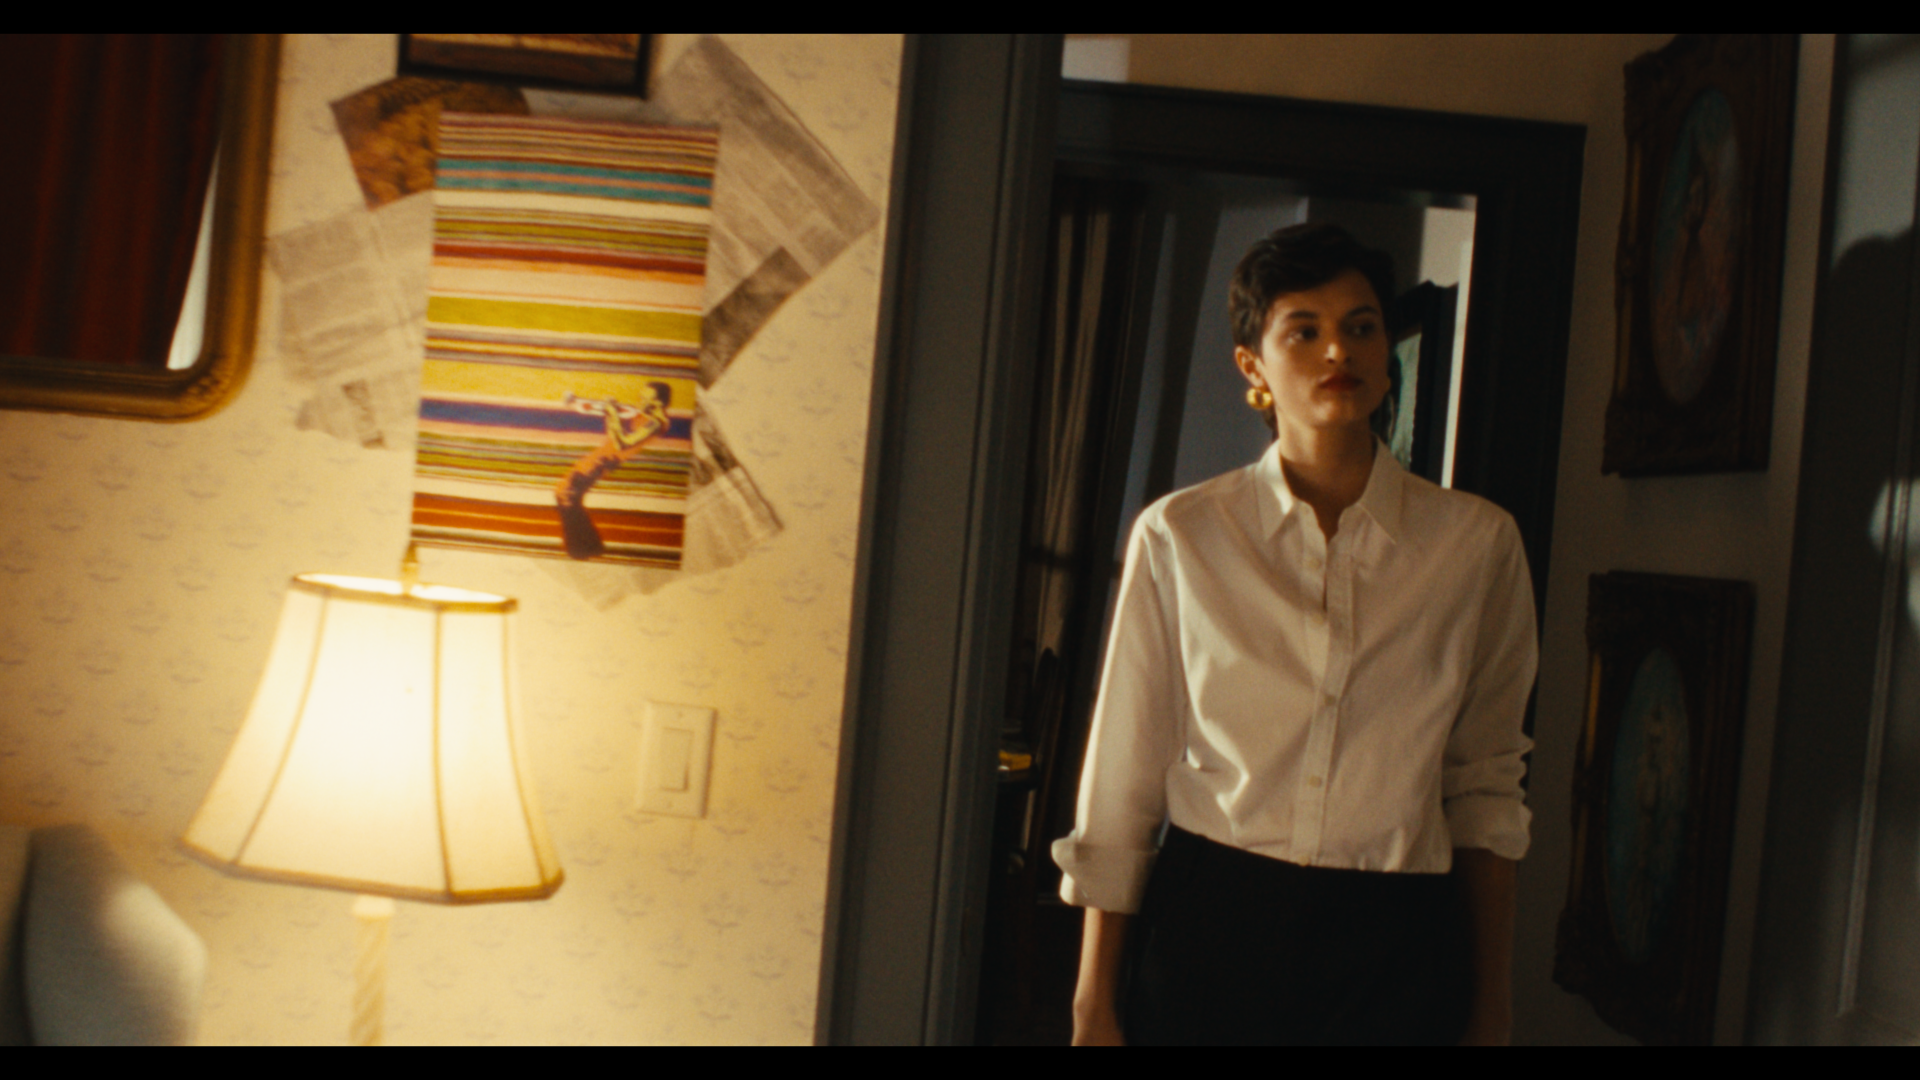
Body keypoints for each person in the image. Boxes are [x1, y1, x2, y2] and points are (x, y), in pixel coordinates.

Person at [1052, 223, 1535, 1046]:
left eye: (1360, 326)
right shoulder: (1182, 536)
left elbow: (1485, 783)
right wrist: (1093, 1001)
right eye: (1303, 331)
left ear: (1388, 352)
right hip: (1213, 925)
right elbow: (1123, 777)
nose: (1337, 350)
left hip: (1396, 944)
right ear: (1254, 366)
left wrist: (1494, 1004)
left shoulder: (1476, 546)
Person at [553, 382, 673, 560]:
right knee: (568, 496)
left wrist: (613, 414)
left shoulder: (655, 423)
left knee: (566, 495)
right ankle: (590, 546)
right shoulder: (645, 416)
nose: (640, 400)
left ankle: (581, 548)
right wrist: (610, 413)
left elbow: (622, 443)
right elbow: (614, 435)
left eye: (645, 398)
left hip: (604, 460)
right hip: (602, 455)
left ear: (658, 403)